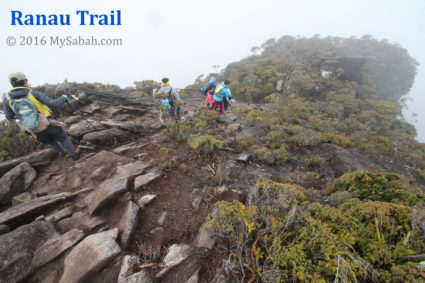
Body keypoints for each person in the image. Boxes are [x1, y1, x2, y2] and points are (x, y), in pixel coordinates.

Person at [3, 72, 80, 160]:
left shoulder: (7, 99)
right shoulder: (32, 93)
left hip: (32, 128)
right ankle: (75, 155)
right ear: (25, 81)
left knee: (49, 141)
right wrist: (64, 97)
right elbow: (55, 104)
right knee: (62, 139)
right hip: (47, 123)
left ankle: (62, 152)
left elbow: (9, 117)